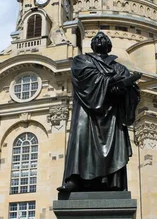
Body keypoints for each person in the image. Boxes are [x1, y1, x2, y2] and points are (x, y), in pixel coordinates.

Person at [59, 32, 141, 192]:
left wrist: (125, 89)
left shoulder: (120, 67)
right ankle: (75, 179)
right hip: (87, 110)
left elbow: (129, 91)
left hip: (112, 114)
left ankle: (112, 181)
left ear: (109, 46)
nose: (99, 39)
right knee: (81, 140)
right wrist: (114, 82)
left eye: (103, 38)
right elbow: (86, 78)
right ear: (92, 44)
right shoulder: (82, 60)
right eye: (96, 38)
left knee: (113, 144)